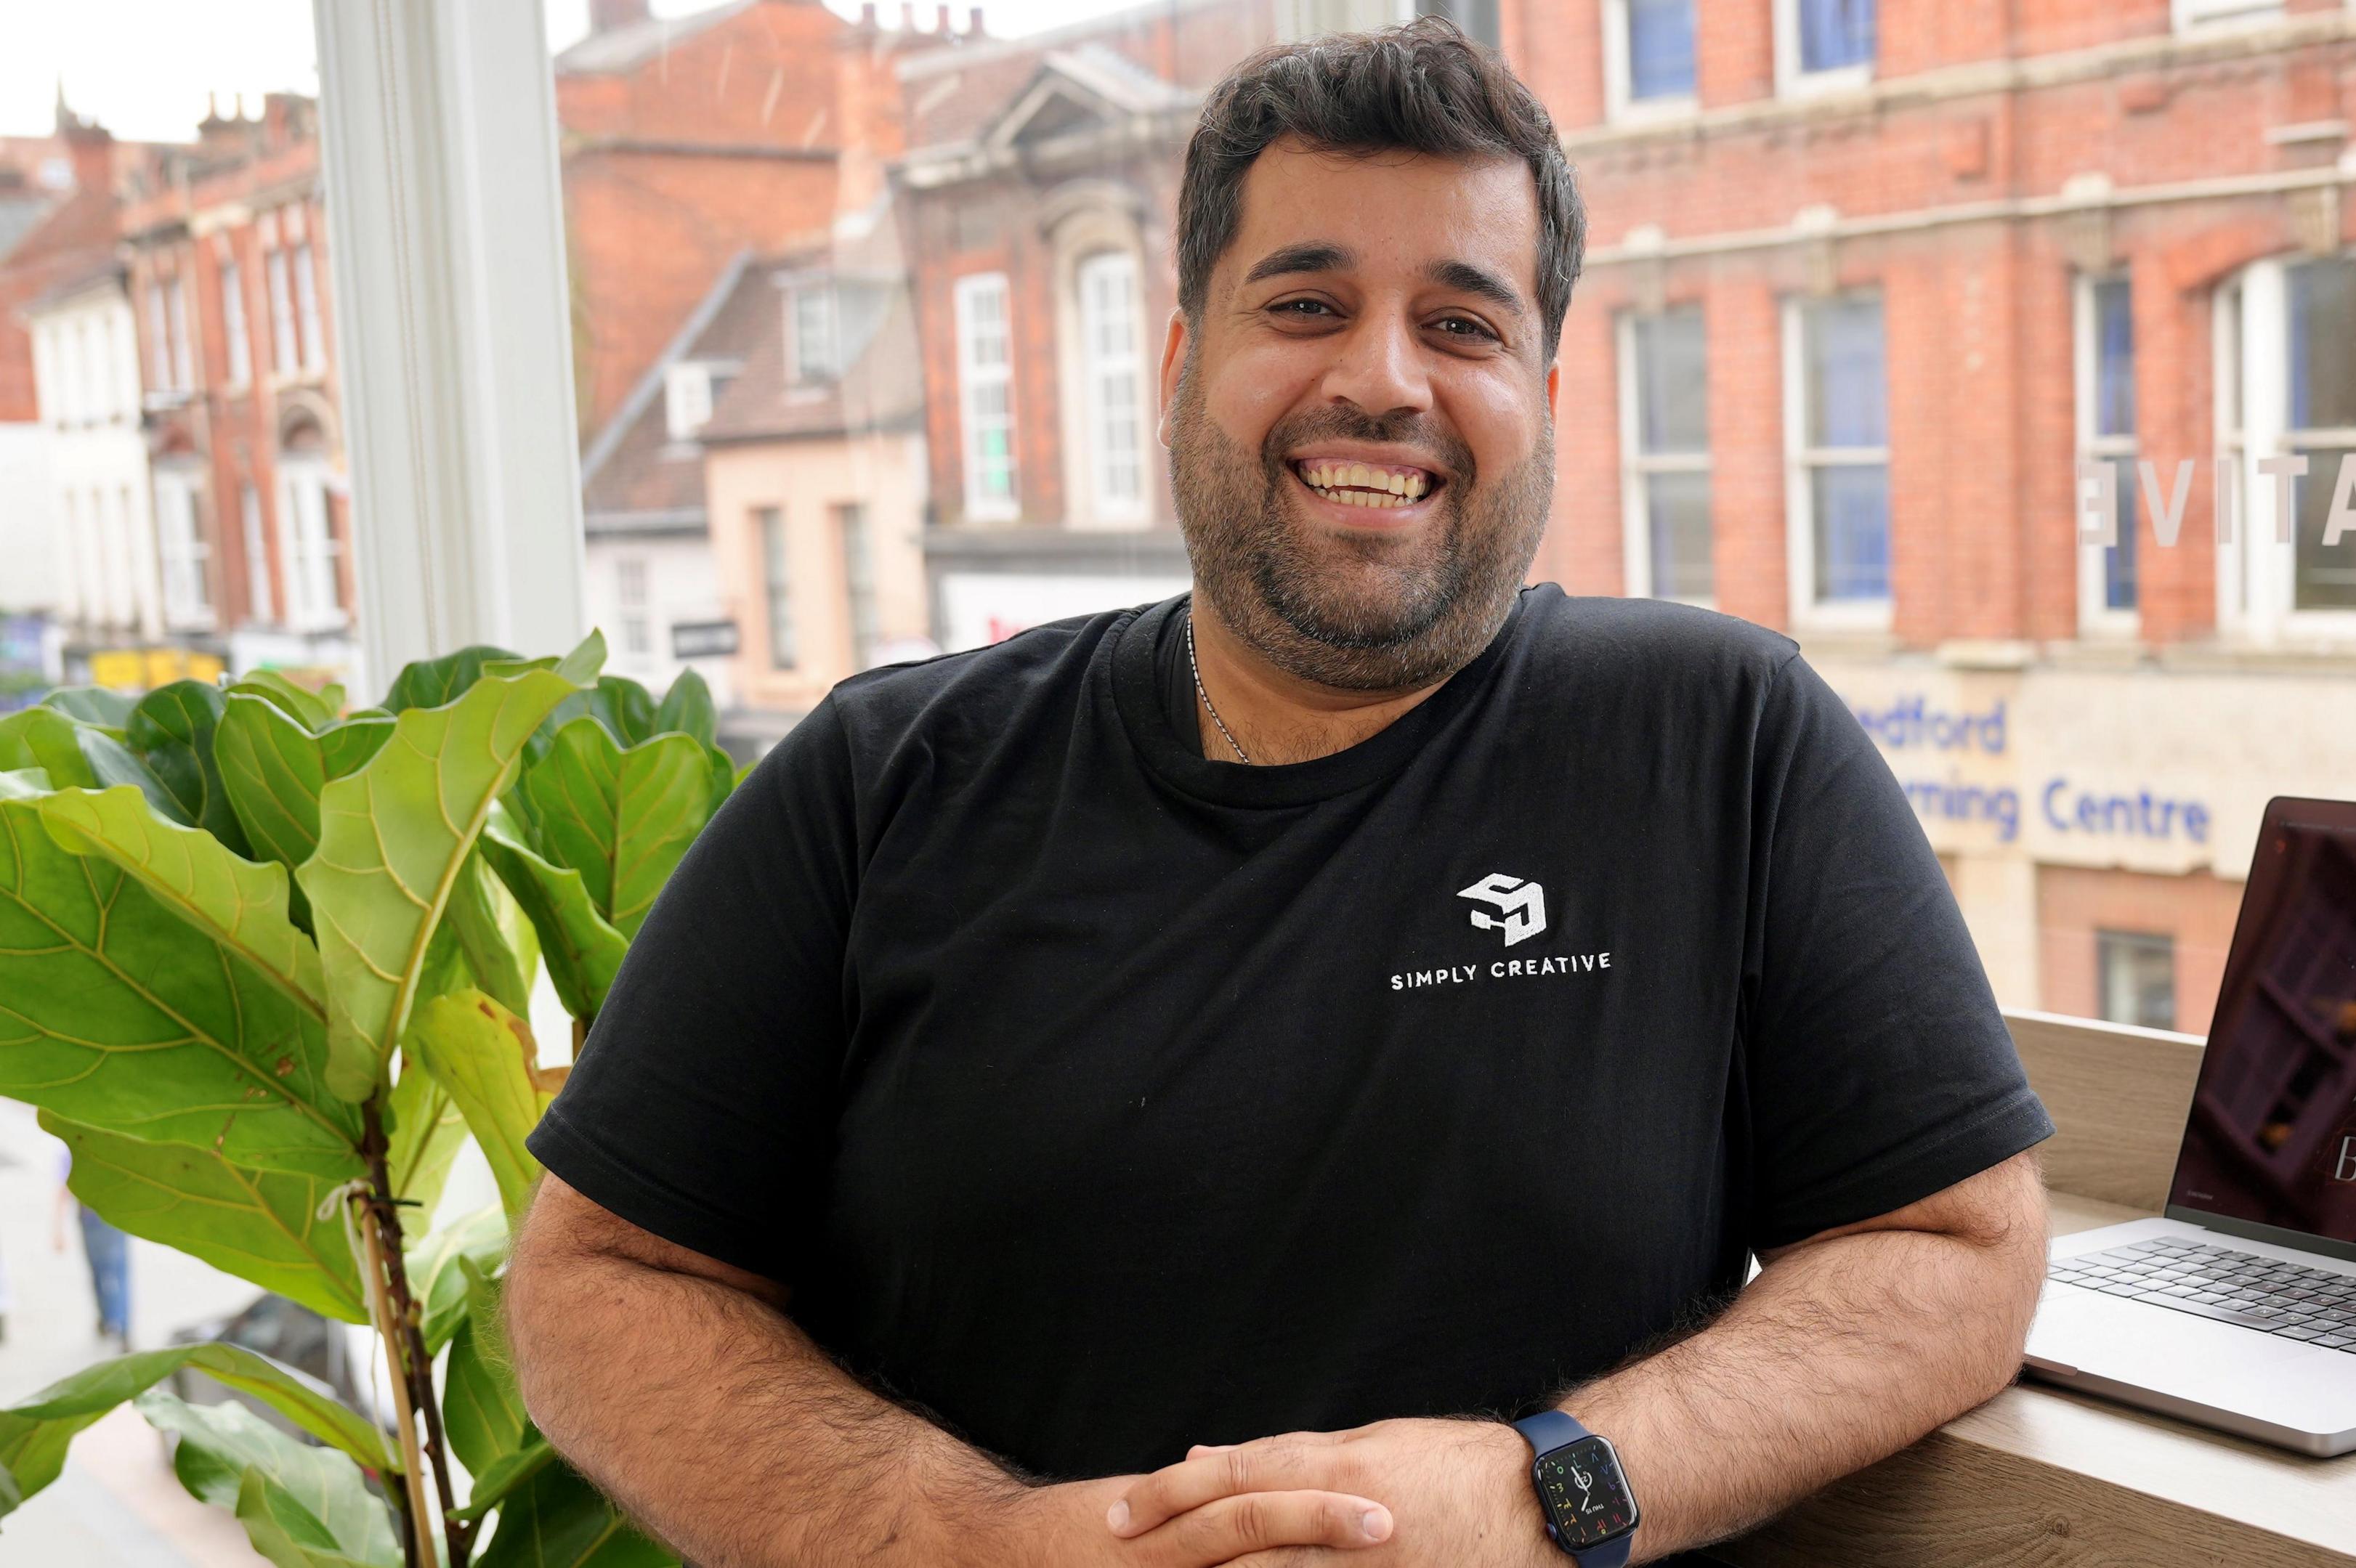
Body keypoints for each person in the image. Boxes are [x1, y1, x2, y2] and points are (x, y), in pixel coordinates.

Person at [509, 21, 2053, 1568]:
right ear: (1183, 362)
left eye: (1463, 323)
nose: (1382, 380)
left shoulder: (1722, 737)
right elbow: (599, 1277)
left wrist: (1550, 1488)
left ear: (1543, 390)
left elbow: (1955, 1246)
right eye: (1306, 303)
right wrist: (959, 1537)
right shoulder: (881, 777)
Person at [50, 1137, 129, 1350]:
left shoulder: (96, 1144)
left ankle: (117, 1322)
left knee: (110, 1271)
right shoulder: (77, 1148)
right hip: (98, 1218)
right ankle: (114, 1321)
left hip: (106, 1217)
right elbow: (64, 1187)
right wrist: (58, 1229)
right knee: (106, 1271)